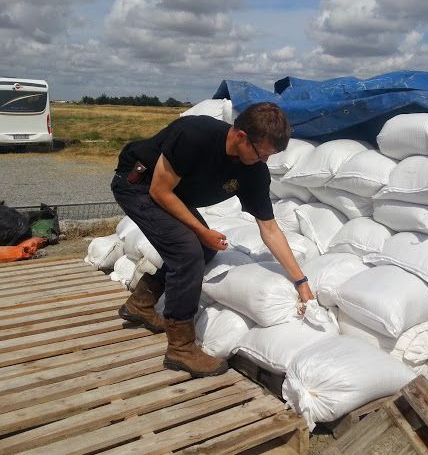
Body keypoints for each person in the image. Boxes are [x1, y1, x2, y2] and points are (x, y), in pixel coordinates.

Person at [111, 102, 314, 378]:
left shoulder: (253, 170)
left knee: (204, 251)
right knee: (188, 252)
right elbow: (159, 190)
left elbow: (269, 228)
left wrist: (301, 281)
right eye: (260, 153)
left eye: (269, 156)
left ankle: (140, 305)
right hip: (139, 185)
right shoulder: (196, 135)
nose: (263, 161)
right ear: (240, 136)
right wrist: (202, 231)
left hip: (172, 193)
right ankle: (180, 348)